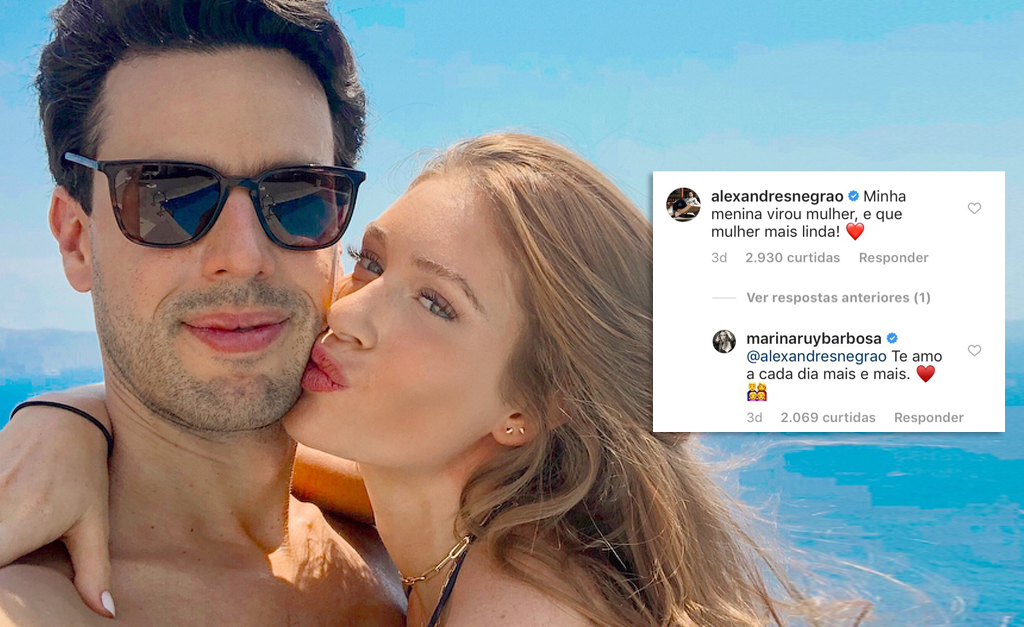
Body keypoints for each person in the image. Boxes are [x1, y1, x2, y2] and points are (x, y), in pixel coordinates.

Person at [0, 134, 873, 626]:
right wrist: (71, 415)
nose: (351, 311)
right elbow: (221, 450)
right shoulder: (466, 510)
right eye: (372, 261)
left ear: (528, 406)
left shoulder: (521, 611)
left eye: (436, 303)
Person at [0, 1, 405, 625]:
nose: (243, 258)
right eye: (168, 197)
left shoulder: (418, 543)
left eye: (297, 195)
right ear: (77, 241)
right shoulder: (34, 604)